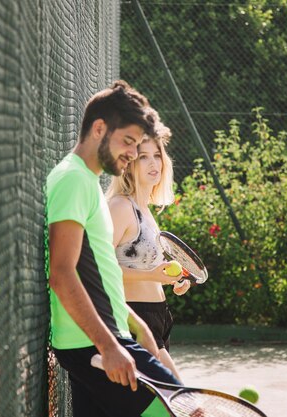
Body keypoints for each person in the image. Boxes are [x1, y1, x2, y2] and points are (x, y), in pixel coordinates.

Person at [46, 80, 180, 417]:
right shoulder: (74, 179)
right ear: (99, 128)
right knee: (179, 411)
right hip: (96, 342)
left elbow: (96, 271)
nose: (133, 154)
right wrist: (110, 346)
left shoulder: (85, 180)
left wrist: (136, 323)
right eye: (129, 142)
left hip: (102, 337)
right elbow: (62, 273)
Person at [106, 119, 190, 382]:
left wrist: (170, 279)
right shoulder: (120, 207)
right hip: (135, 320)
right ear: (129, 164)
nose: (154, 163)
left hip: (159, 319)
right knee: (183, 401)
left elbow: (144, 268)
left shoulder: (146, 211)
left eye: (157, 155)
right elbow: (100, 272)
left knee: (164, 404)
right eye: (144, 157)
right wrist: (152, 276)